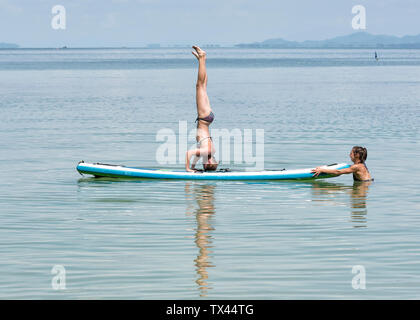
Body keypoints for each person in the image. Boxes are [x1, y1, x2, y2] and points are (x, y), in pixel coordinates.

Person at [185, 46, 218, 172]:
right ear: (209, 161)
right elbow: (188, 153)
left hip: (207, 117)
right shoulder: (207, 151)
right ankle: (202, 58)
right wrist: (188, 169)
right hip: (204, 117)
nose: (202, 164)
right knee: (199, 86)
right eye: (204, 165)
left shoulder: (210, 152)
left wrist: (193, 166)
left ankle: (202, 59)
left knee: (203, 86)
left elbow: (196, 156)